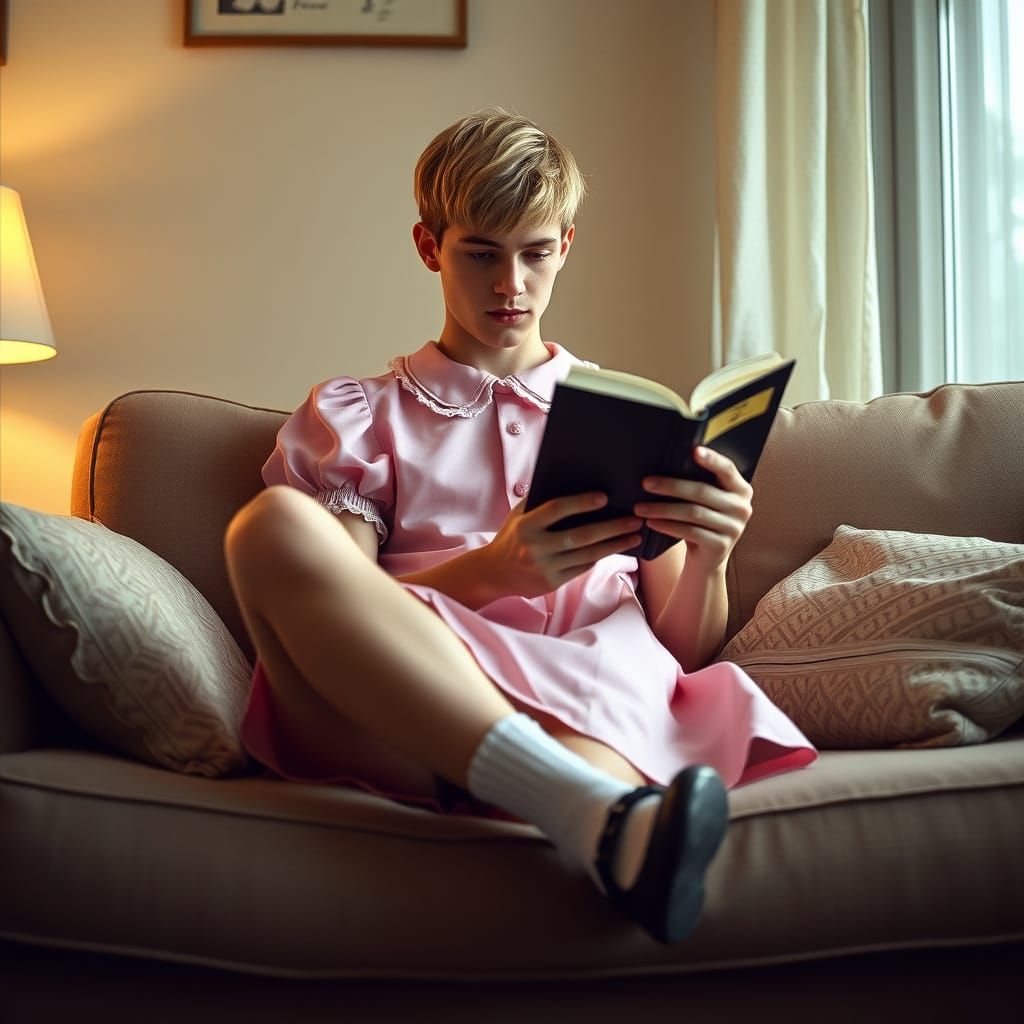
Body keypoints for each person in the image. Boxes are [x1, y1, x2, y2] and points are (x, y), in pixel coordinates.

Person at [224, 109, 816, 945]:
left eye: (536, 253)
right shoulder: (359, 416)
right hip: (405, 692)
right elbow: (338, 602)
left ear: (566, 246)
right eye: (481, 252)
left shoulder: (627, 417)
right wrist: (490, 574)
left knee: (603, 726)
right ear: (430, 246)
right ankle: (592, 812)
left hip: (591, 689)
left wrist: (714, 554)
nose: (512, 285)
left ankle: (584, 808)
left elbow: (683, 650)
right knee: (270, 525)